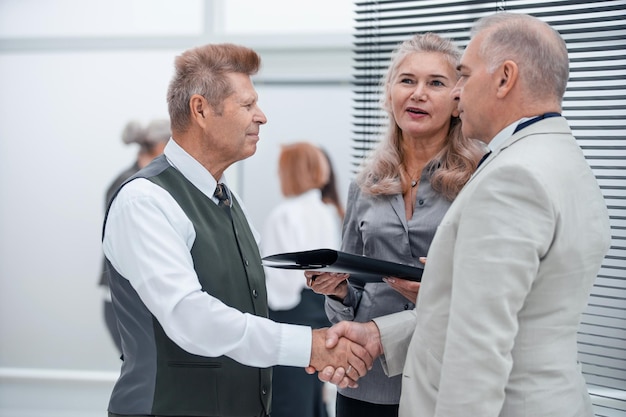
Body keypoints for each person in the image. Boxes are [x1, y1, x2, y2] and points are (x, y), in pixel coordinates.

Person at [320, 12, 612, 417]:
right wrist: (373, 330)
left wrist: (428, 296)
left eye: (461, 78)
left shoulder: (507, 175)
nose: (459, 93)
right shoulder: (557, 156)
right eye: (407, 80)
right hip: (375, 379)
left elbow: (478, 341)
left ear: (505, 78)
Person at [101, 43, 373, 417]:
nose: (261, 117)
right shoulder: (144, 201)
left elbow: (246, 294)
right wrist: (310, 345)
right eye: (247, 105)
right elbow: (189, 316)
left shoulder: (230, 198)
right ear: (200, 110)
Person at [305, 33, 484, 417]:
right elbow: (351, 288)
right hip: (367, 380)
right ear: (390, 95)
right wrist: (335, 293)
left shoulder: (480, 179)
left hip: (443, 377)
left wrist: (432, 293)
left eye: (435, 83)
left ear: (458, 100)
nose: (418, 93)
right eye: (407, 80)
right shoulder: (364, 184)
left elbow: (489, 291)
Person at [261, 142, 341, 417]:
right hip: (321, 308)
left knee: (288, 399)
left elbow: (280, 282)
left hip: (290, 312)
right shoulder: (327, 210)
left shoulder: (283, 215)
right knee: (312, 398)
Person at [98, 118, 170, 354]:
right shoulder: (130, 186)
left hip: (142, 299)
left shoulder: (153, 181)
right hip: (127, 302)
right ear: (162, 146)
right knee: (143, 378)